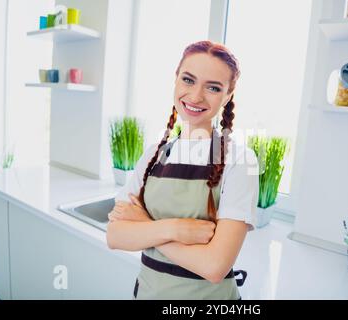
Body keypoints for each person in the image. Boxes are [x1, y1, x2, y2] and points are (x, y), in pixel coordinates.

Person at [106, 40, 259, 300]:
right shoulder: (154, 153)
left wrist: (145, 226)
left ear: (228, 95)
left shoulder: (240, 159)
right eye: (188, 80)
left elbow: (214, 267)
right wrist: (174, 229)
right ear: (176, 79)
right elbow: (115, 235)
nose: (196, 96)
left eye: (213, 87)